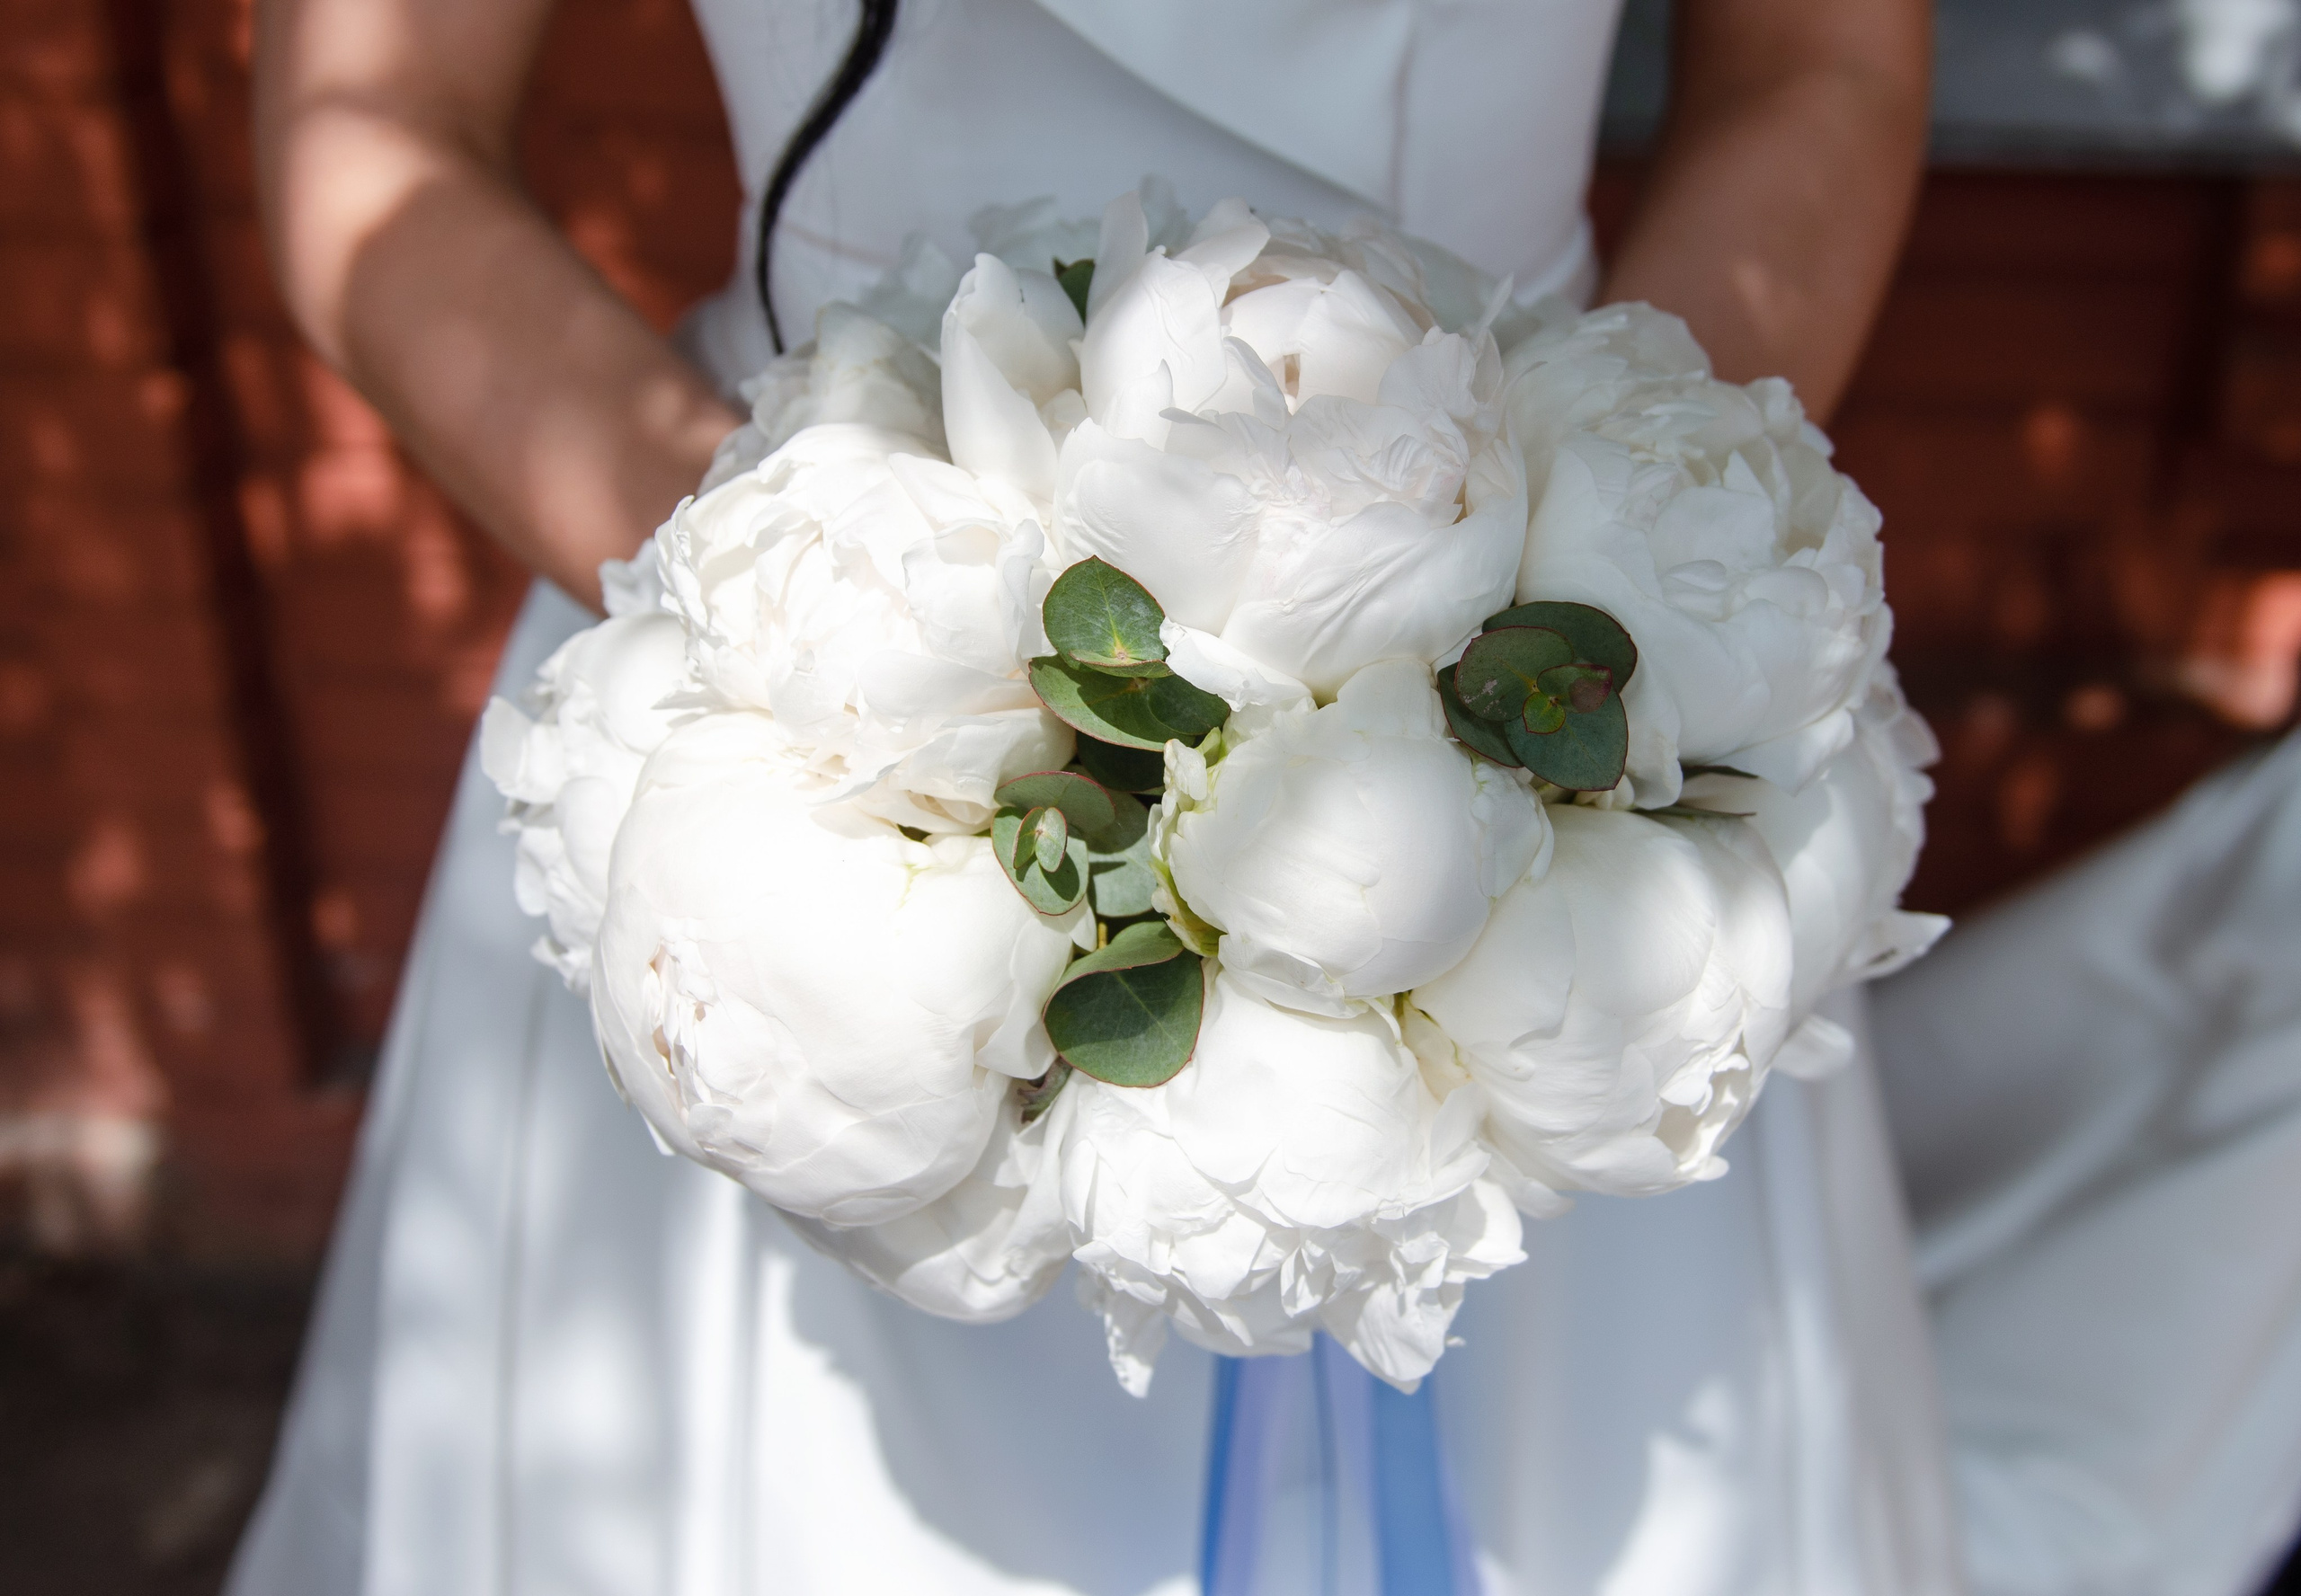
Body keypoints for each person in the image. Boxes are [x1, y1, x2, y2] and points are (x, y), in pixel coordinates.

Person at [227, 0, 2301, 1592]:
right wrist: (810, 647)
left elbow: (1817, 66)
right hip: (815, 669)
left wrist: (1594, 571)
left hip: (1529, 653)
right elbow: (375, 132)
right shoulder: (798, 650)